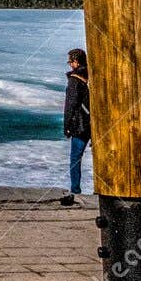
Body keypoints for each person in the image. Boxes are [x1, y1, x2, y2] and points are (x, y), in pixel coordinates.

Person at [63, 47, 91, 196]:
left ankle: (75, 190)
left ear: (75, 62)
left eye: (70, 61)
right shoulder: (91, 76)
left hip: (80, 125)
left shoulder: (74, 80)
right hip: (93, 124)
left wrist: (66, 126)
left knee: (75, 158)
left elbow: (71, 105)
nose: (69, 65)